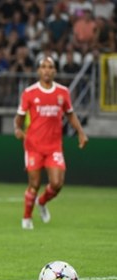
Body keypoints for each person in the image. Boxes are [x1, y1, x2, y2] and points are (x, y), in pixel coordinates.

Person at [14, 56, 88, 230]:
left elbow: (70, 113)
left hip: (54, 146)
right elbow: (19, 117)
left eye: (50, 67)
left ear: (55, 71)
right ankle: (26, 218)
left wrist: (81, 133)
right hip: (33, 146)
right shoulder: (29, 93)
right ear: (39, 71)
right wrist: (17, 129)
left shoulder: (63, 92)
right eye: (44, 67)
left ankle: (42, 201)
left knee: (57, 183)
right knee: (34, 184)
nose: (47, 70)